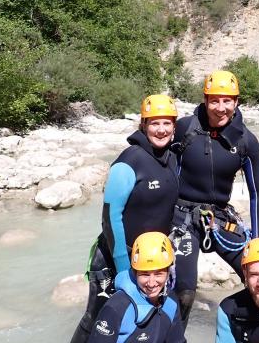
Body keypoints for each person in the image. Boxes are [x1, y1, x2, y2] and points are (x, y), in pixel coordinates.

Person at [70, 95, 179, 343]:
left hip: (154, 259)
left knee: (151, 312)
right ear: (143, 125)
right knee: (96, 317)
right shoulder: (129, 161)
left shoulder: (171, 158)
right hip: (118, 255)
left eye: (167, 123)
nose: (161, 130)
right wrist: (123, 268)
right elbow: (110, 217)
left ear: (174, 126)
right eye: (154, 123)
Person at [170, 70, 259, 328]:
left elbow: (257, 193)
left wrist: (257, 241)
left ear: (236, 102)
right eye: (214, 100)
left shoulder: (246, 141)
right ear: (205, 100)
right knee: (185, 292)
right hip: (182, 217)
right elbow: (161, 166)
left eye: (227, 101)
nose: (220, 108)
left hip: (219, 218)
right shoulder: (185, 128)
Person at [88, 232, 185, 343]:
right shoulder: (117, 307)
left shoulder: (171, 302)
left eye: (159, 274)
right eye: (145, 274)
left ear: (168, 272)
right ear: (135, 273)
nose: (152, 283)